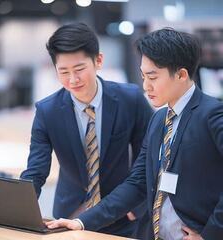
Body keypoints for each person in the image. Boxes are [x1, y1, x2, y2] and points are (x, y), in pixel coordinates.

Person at [46, 28, 223, 240]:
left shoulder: (212, 114)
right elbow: (137, 182)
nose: (146, 85)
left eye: (152, 77)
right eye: (143, 76)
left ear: (181, 74)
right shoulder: (159, 120)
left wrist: (211, 234)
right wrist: (82, 221)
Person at [20, 22, 153, 238]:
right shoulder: (47, 111)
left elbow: (147, 158)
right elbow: (36, 170)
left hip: (122, 213)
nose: (73, 80)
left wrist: (135, 207)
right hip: (69, 216)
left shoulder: (131, 99)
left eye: (79, 69)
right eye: (63, 71)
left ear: (98, 60)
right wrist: (19, 209)